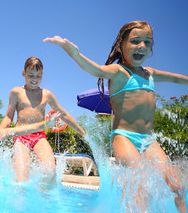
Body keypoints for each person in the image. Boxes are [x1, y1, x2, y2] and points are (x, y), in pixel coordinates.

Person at [44, 20, 187, 212]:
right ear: (121, 45)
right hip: (124, 137)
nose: (142, 46)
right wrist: (74, 53)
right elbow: (94, 69)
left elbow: (177, 78)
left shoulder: (150, 74)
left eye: (148, 42)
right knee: (139, 185)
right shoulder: (120, 72)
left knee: (177, 185)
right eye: (135, 41)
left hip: (149, 140)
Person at [0, 57, 86, 184]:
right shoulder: (16, 92)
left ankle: (42, 198)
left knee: (50, 172)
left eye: (38, 76)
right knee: (21, 177)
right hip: (21, 136)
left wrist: (81, 131)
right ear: (24, 73)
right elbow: (8, 117)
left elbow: (63, 114)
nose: (35, 79)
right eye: (31, 75)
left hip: (39, 136)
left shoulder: (47, 94)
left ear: (42, 74)